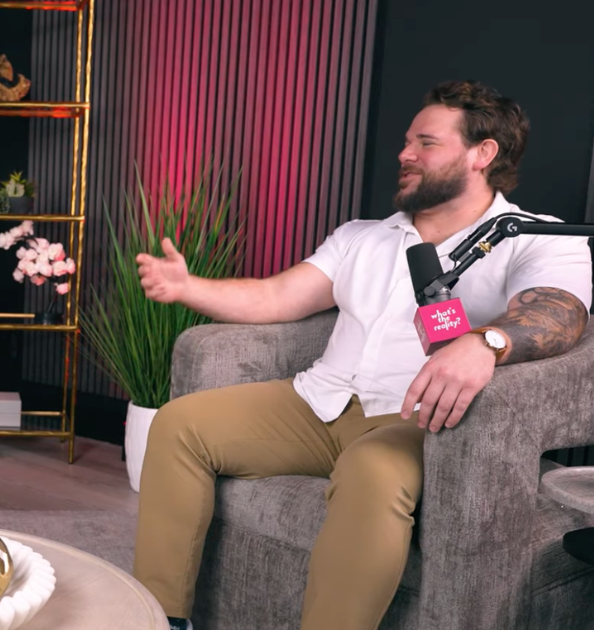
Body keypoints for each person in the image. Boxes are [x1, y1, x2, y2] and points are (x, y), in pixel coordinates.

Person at [132, 80, 592, 630]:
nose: (405, 154)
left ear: (482, 153)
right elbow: (278, 296)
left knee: (371, 470)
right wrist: (188, 287)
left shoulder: (535, 238)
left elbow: (560, 313)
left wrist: (485, 342)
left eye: (426, 142)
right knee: (180, 424)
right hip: (317, 402)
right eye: (407, 141)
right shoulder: (362, 237)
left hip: (416, 421)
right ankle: (160, 618)